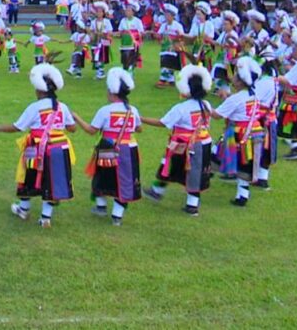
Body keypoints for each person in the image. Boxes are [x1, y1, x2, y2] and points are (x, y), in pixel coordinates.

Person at [0, 63, 77, 228]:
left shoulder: (35, 107)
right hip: (60, 149)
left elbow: (17, 127)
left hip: (37, 148)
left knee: (27, 177)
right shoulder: (62, 107)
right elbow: (72, 128)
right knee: (53, 181)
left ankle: (23, 209)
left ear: (40, 90)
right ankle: (45, 218)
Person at [141, 65, 214, 216]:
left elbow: (163, 123)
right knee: (190, 171)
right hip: (204, 142)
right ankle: (159, 191)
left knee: (173, 167)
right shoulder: (206, 105)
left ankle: (191, 205)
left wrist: (141, 119)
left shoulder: (181, 108)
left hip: (185, 145)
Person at [75, 68, 142, 226]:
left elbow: (92, 130)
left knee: (101, 176)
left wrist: (76, 117)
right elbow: (139, 128)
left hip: (107, 148)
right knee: (125, 180)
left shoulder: (105, 111)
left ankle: (101, 206)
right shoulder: (133, 110)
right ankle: (117, 216)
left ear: (112, 92)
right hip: (129, 149)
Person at [212, 57, 267, 207]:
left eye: (235, 75)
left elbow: (216, 115)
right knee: (246, 163)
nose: (232, 77)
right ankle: (242, 195)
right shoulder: (253, 94)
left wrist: (202, 105)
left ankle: (198, 184)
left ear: (241, 81)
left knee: (214, 156)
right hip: (254, 133)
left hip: (237, 134)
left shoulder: (235, 99)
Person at [153, 4, 186, 88]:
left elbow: (182, 37)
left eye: (168, 15)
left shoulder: (178, 26)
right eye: (165, 15)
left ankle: (165, 79)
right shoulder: (164, 25)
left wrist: (178, 38)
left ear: (173, 16)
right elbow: (159, 35)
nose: (166, 17)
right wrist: (155, 33)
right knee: (164, 62)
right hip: (165, 48)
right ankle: (167, 79)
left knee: (171, 63)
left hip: (174, 48)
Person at [117, 2, 145, 71]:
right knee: (124, 60)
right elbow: (119, 32)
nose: (127, 12)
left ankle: (130, 75)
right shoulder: (123, 21)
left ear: (133, 12)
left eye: (129, 11)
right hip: (124, 44)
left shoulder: (137, 21)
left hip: (133, 45)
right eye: (126, 10)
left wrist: (133, 34)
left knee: (131, 61)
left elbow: (141, 33)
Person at [90, 1, 113, 80]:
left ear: (103, 13)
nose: (99, 13)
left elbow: (110, 31)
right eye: (97, 12)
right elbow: (91, 31)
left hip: (104, 41)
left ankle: (101, 72)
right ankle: (99, 71)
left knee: (101, 57)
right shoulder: (93, 22)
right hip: (95, 41)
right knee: (95, 57)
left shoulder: (107, 22)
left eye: (100, 12)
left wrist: (104, 34)